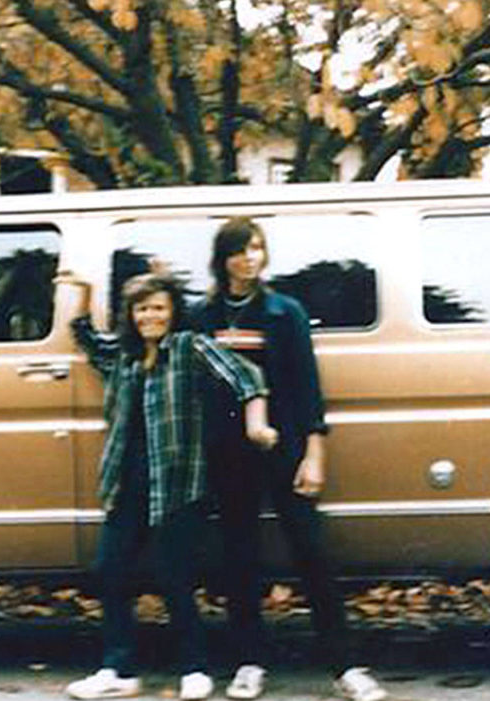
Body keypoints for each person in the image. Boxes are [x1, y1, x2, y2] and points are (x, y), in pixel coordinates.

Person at [191, 218, 387, 701]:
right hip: (227, 453)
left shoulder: (285, 312)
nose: (249, 258)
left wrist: (313, 453)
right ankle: (248, 661)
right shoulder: (202, 314)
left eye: (256, 248)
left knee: (311, 553)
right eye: (239, 250)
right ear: (224, 259)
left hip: (285, 445)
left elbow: (307, 388)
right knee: (239, 556)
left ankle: (345, 666)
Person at [64, 272, 277, 701]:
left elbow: (247, 376)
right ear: (131, 314)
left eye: (158, 307)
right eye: (142, 308)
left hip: (178, 483)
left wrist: (257, 424)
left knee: (173, 576)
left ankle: (195, 668)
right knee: (110, 570)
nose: (150, 316)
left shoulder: (189, 348)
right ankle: (119, 670)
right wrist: (83, 294)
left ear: (173, 311)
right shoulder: (123, 357)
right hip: (126, 483)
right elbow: (85, 337)